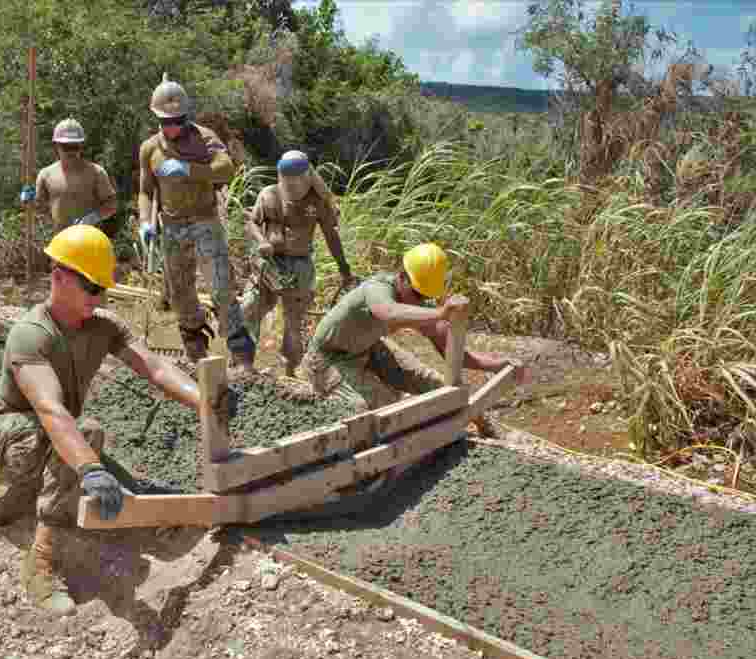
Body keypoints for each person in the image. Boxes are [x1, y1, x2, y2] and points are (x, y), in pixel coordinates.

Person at [0, 224, 228, 613]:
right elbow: (51, 410)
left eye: (102, 288)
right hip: (1, 438)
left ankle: (19, 498)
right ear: (58, 277)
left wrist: (204, 400)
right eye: (91, 287)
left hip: (53, 435)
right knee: (87, 439)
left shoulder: (103, 326)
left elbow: (155, 367)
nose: (99, 296)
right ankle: (39, 565)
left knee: (110, 473)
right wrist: (89, 467)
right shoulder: (31, 334)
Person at [300, 243, 529, 437]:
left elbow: (456, 353)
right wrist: (440, 312)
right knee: (385, 410)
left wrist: (499, 364)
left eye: (426, 297)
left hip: (368, 348)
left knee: (436, 384)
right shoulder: (377, 288)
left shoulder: (420, 307)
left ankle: (485, 428)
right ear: (401, 278)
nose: (420, 301)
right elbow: (388, 311)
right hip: (328, 359)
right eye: (418, 294)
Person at [137, 76, 256, 368]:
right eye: (168, 121)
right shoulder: (150, 149)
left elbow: (225, 168)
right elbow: (145, 191)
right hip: (173, 228)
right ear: (158, 119)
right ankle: (196, 353)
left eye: (179, 120)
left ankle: (242, 356)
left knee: (221, 287)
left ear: (186, 116)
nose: (174, 126)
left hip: (205, 222)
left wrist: (189, 169)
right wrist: (144, 221)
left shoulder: (205, 138)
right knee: (180, 293)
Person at [242, 150, 353, 377]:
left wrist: (344, 268)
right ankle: (243, 367)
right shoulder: (269, 195)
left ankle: (291, 374)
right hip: (268, 266)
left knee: (294, 325)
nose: (291, 187)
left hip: (299, 268)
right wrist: (262, 240)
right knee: (248, 309)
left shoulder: (317, 202)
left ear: (305, 179)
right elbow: (251, 223)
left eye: (296, 182)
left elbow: (331, 236)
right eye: (287, 182)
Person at [20, 118, 118, 236]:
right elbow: (39, 210)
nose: (70, 152)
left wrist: (91, 218)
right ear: (56, 145)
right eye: (66, 147)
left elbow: (112, 204)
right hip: (60, 243)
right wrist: (28, 201)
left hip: (90, 241)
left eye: (74, 146)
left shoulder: (96, 173)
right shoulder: (45, 175)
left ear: (81, 146)